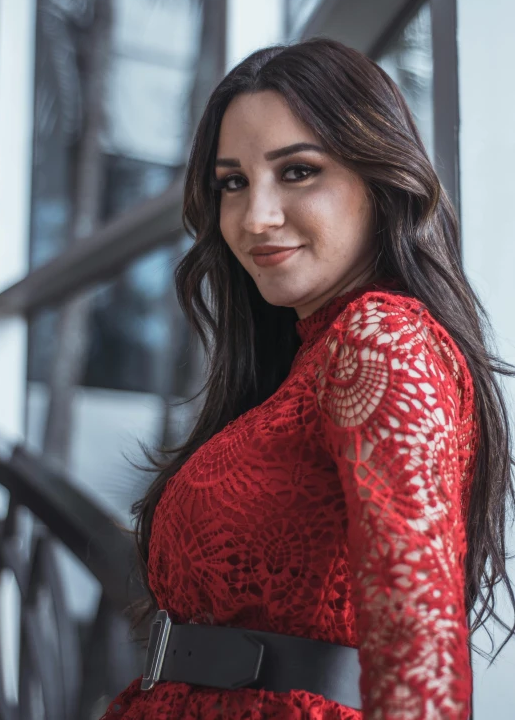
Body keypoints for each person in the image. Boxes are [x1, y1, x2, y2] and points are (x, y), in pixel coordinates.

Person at [101, 38, 515, 719]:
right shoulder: (305, 359)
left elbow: (421, 657)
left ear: (379, 180)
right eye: (232, 181)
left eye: (296, 171)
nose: (253, 217)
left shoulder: (381, 337)